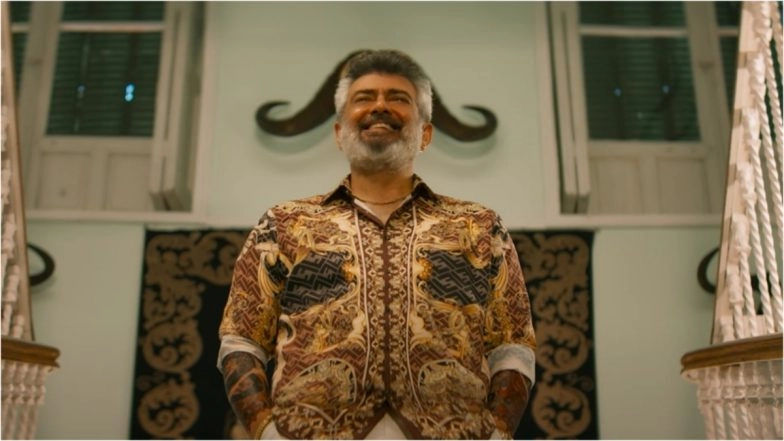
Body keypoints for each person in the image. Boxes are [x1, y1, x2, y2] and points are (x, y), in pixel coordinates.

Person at [218, 49, 536, 440]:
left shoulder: (480, 227)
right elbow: (241, 339)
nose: (380, 106)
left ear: (426, 134)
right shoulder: (283, 224)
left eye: (399, 98)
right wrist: (266, 432)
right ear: (339, 133)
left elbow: (513, 344)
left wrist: (499, 433)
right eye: (364, 98)